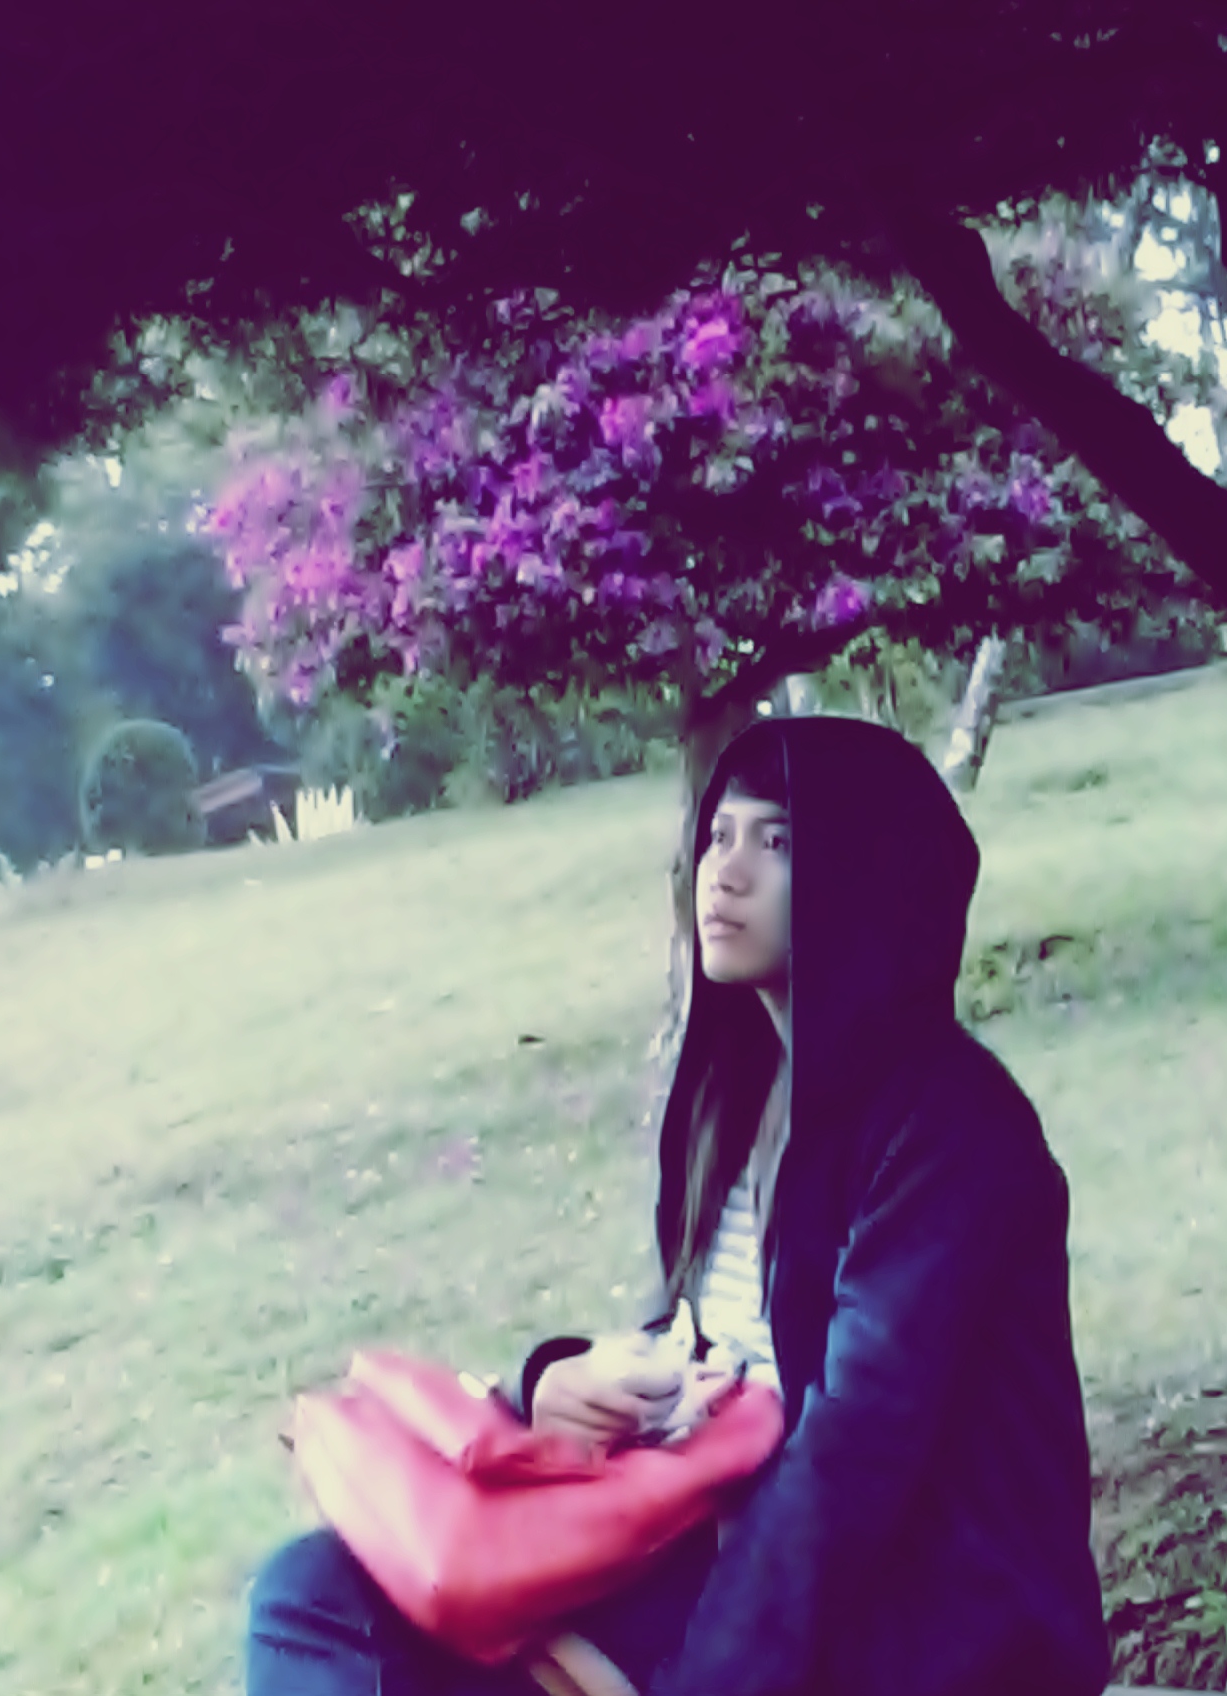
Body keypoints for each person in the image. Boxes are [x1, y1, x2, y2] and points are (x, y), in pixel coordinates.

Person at [247, 716, 1110, 1696]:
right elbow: (705, 1344)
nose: (723, 873)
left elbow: (853, 1454)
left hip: (912, 1597)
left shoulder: (949, 1127)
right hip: (721, 1533)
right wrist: (551, 1383)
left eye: (775, 841)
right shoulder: (737, 1092)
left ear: (868, 874)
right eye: (718, 834)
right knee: (315, 1593)